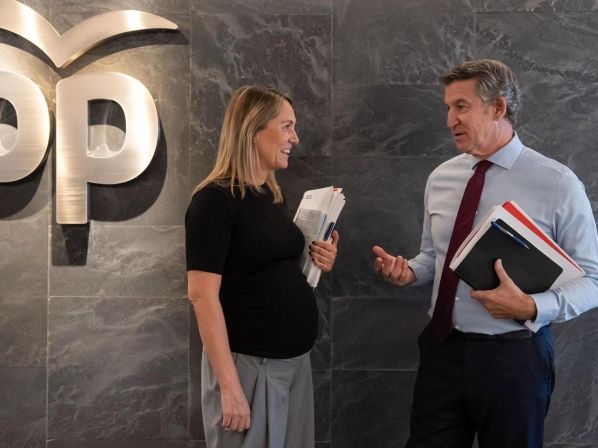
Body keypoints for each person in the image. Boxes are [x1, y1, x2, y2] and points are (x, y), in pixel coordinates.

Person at [372, 59, 598, 448]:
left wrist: (532, 307)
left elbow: (593, 280)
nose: (450, 120)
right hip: (442, 350)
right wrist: (408, 272)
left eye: (461, 106)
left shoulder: (557, 183)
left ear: (498, 108)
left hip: (515, 358)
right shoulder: (441, 177)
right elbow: (433, 258)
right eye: (448, 107)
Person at [185, 85, 339, 448]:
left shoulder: (271, 196)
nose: (295, 138)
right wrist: (229, 387)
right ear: (254, 130)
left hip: (292, 365)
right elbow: (202, 296)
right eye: (287, 126)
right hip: (249, 368)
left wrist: (321, 259)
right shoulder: (214, 201)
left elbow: (269, 270)